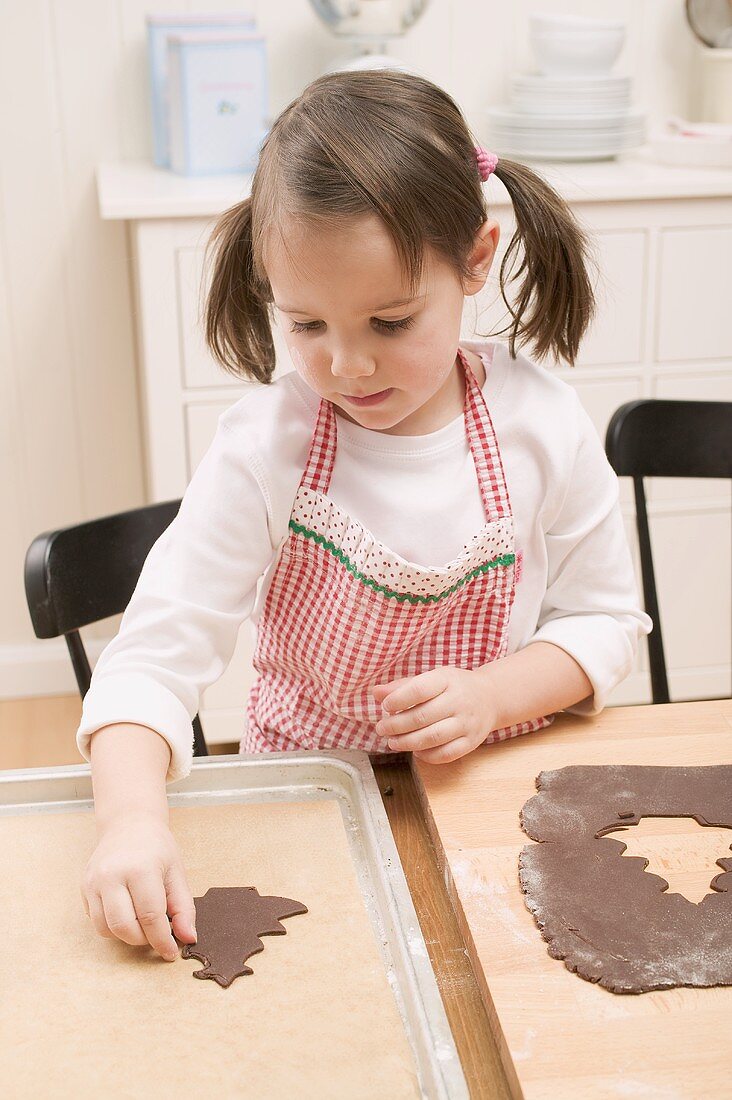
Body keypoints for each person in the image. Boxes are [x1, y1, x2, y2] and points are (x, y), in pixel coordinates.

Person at [76, 70, 651, 963]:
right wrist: (128, 822)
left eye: (390, 321)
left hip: (488, 802)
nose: (345, 364)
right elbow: (150, 659)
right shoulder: (266, 449)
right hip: (307, 796)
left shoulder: (541, 424)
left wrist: (494, 694)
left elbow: (606, 622)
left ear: (475, 257)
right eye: (306, 324)